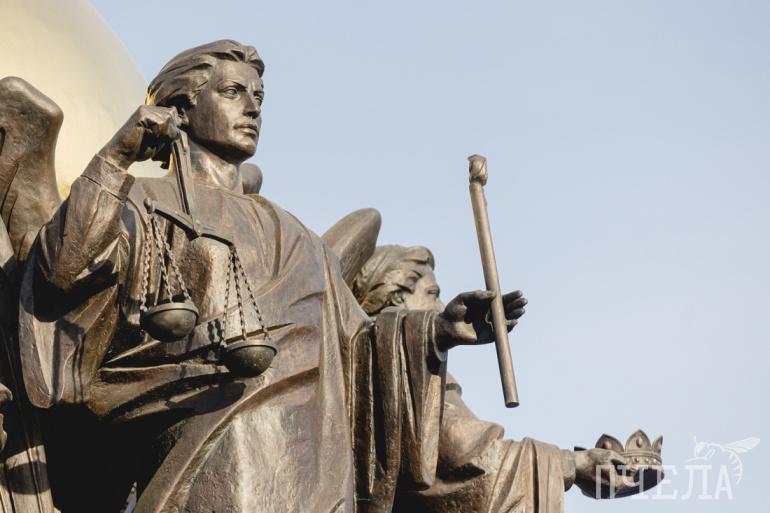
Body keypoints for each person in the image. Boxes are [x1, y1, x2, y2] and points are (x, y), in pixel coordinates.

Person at [17, 40, 620, 512]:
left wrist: (436, 331)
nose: (253, 106)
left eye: (258, 95)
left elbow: (356, 351)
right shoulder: (145, 205)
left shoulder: (294, 234)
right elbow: (61, 271)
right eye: (233, 92)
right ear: (181, 107)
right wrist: (117, 155)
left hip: (314, 473)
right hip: (213, 462)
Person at [352, 245, 626, 511]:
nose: (439, 304)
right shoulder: (400, 373)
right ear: (398, 297)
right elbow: (458, 456)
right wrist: (571, 464)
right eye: (432, 293)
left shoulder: (372, 364)